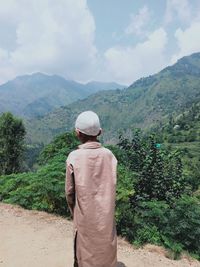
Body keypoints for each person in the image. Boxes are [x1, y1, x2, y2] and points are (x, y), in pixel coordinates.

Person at [65, 110, 117, 267]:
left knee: (84, 252)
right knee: (106, 249)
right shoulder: (110, 156)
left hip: (84, 217)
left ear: (78, 133)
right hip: (106, 216)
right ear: (100, 132)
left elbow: (69, 193)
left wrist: (76, 212)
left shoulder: (74, 157)